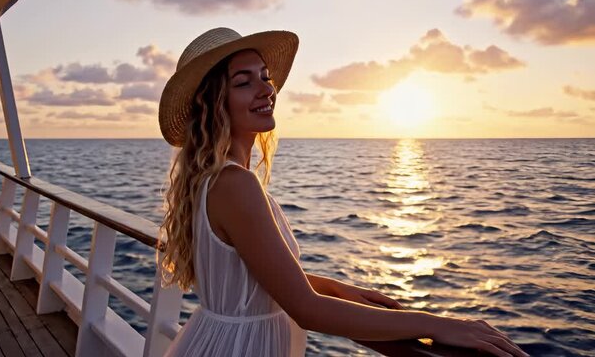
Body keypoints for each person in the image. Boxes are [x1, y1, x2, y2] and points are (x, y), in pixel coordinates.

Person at [157, 27, 528, 357]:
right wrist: (436, 324)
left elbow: (252, 275)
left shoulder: (212, 178)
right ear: (213, 103)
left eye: (265, 77)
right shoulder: (236, 184)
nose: (266, 89)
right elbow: (306, 310)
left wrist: (335, 287)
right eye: (244, 82)